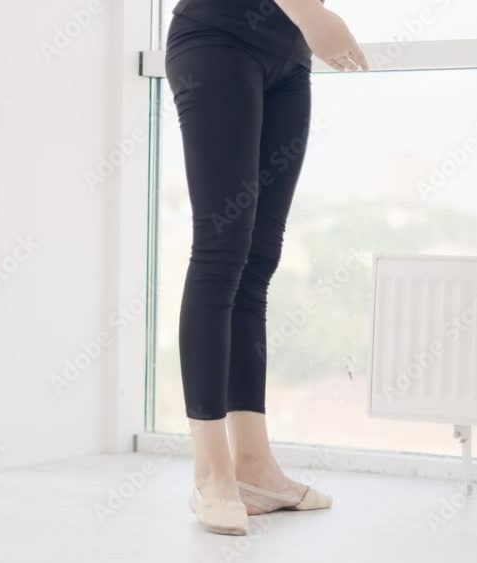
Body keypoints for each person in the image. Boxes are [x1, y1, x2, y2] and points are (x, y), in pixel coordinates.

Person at [165, 0, 368, 536]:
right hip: (217, 36)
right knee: (219, 250)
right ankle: (212, 473)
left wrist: (305, 24)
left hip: (287, 53)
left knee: (257, 261)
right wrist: (315, 16)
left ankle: (253, 466)